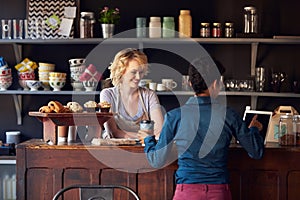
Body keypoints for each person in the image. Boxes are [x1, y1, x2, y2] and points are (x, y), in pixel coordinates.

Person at [140, 57, 264, 200]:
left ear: (191, 84)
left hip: (186, 192)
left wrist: (148, 138)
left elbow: (157, 160)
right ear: (216, 83)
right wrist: (254, 129)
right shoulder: (229, 115)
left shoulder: (174, 116)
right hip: (219, 192)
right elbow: (256, 152)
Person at [100, 48, 164, 139]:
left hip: (144, 149)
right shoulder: (107, 95)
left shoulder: (149, 95)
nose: (138, 77)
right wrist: (146, 137)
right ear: (121, 71)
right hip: (116, 150)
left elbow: (159, 131)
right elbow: (113, 133)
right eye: (133, 72)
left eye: (141, 72)